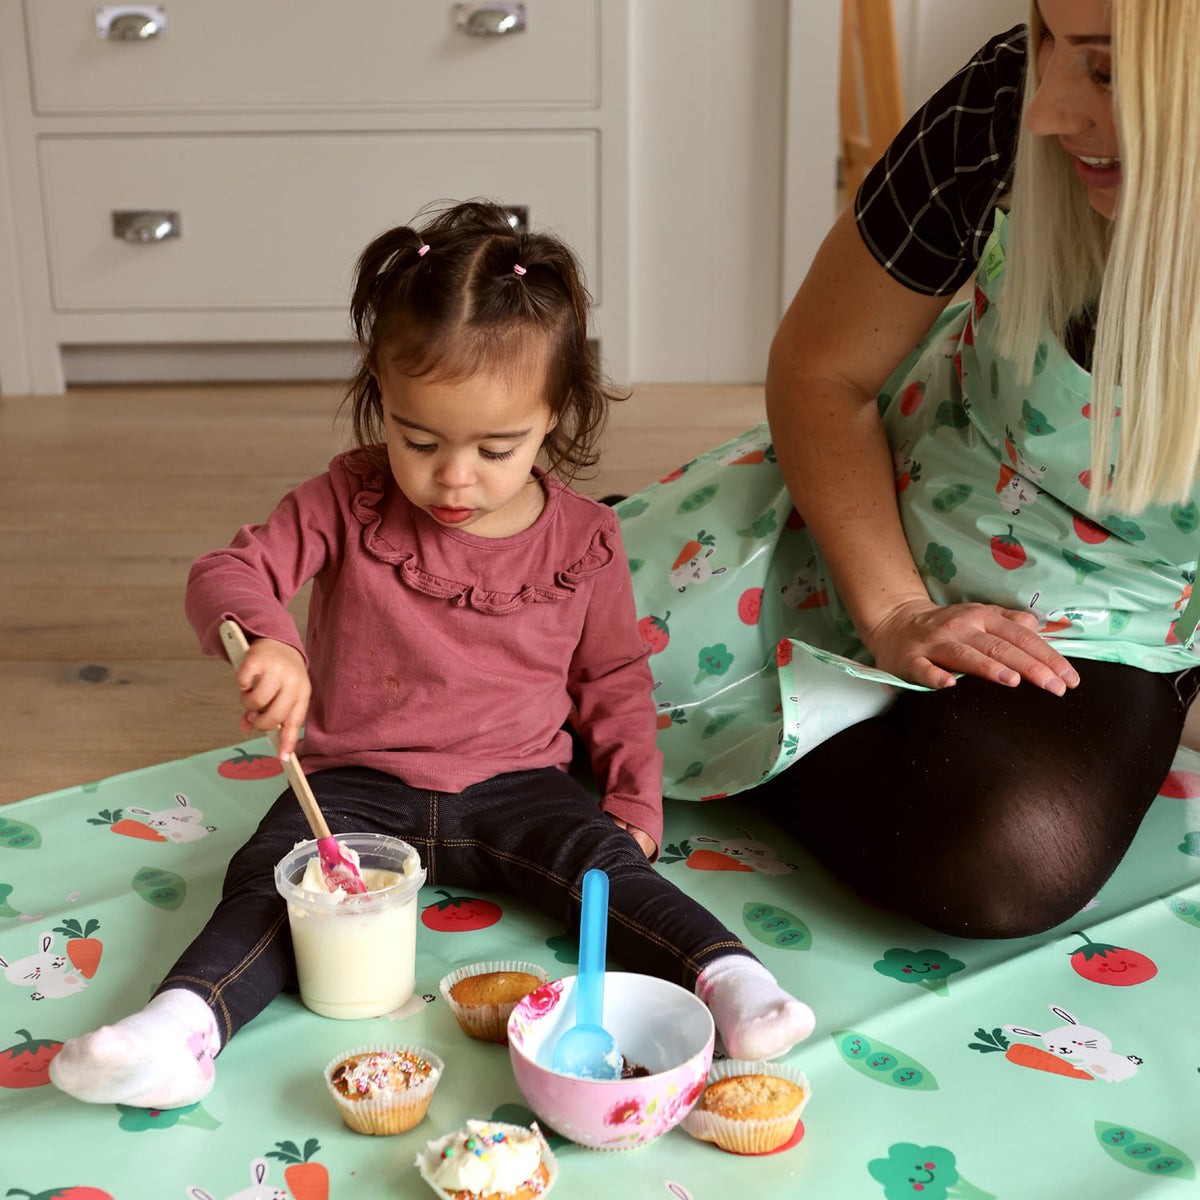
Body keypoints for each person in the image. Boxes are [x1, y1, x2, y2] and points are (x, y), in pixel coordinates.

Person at [47, 200, 814, 1110]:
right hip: (357, 784)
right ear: (381, 390)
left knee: (610, 873)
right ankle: (177, 1029)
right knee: (269, 879)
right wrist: (272, 642)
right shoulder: (351, 498)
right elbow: (229, 570)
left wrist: (632, 798)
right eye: (421, 440)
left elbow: (611, 679)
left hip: (522, 782)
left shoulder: (586, 538)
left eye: (498, 448)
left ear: (553, 416)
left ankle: (732, 983)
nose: (455, 478)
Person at [617, 0, 1200, 941]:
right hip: (914, 491)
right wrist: (893, 614)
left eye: (1101, 71)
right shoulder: (1002, 101)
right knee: (547, 641)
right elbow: (823, 369)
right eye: (1049, 40)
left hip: (1134, 601)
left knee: (1012, 854)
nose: (1045, 106)